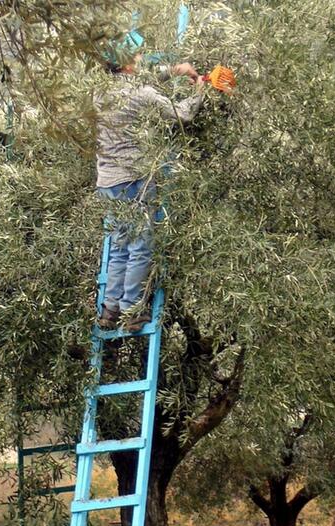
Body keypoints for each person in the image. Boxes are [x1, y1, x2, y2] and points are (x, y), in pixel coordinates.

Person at [95, 32, 205, 332]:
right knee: (141, 245)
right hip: (133, 179)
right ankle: (133, 311)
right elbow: (181, 116)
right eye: (137, 56)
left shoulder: (100, 92)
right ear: (128, 64)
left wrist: (173, 71)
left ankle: (109, 311)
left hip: (106, 181)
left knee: (119, 246)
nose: (141, 59)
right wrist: (199, 90)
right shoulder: (139, 93)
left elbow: (142, 82)